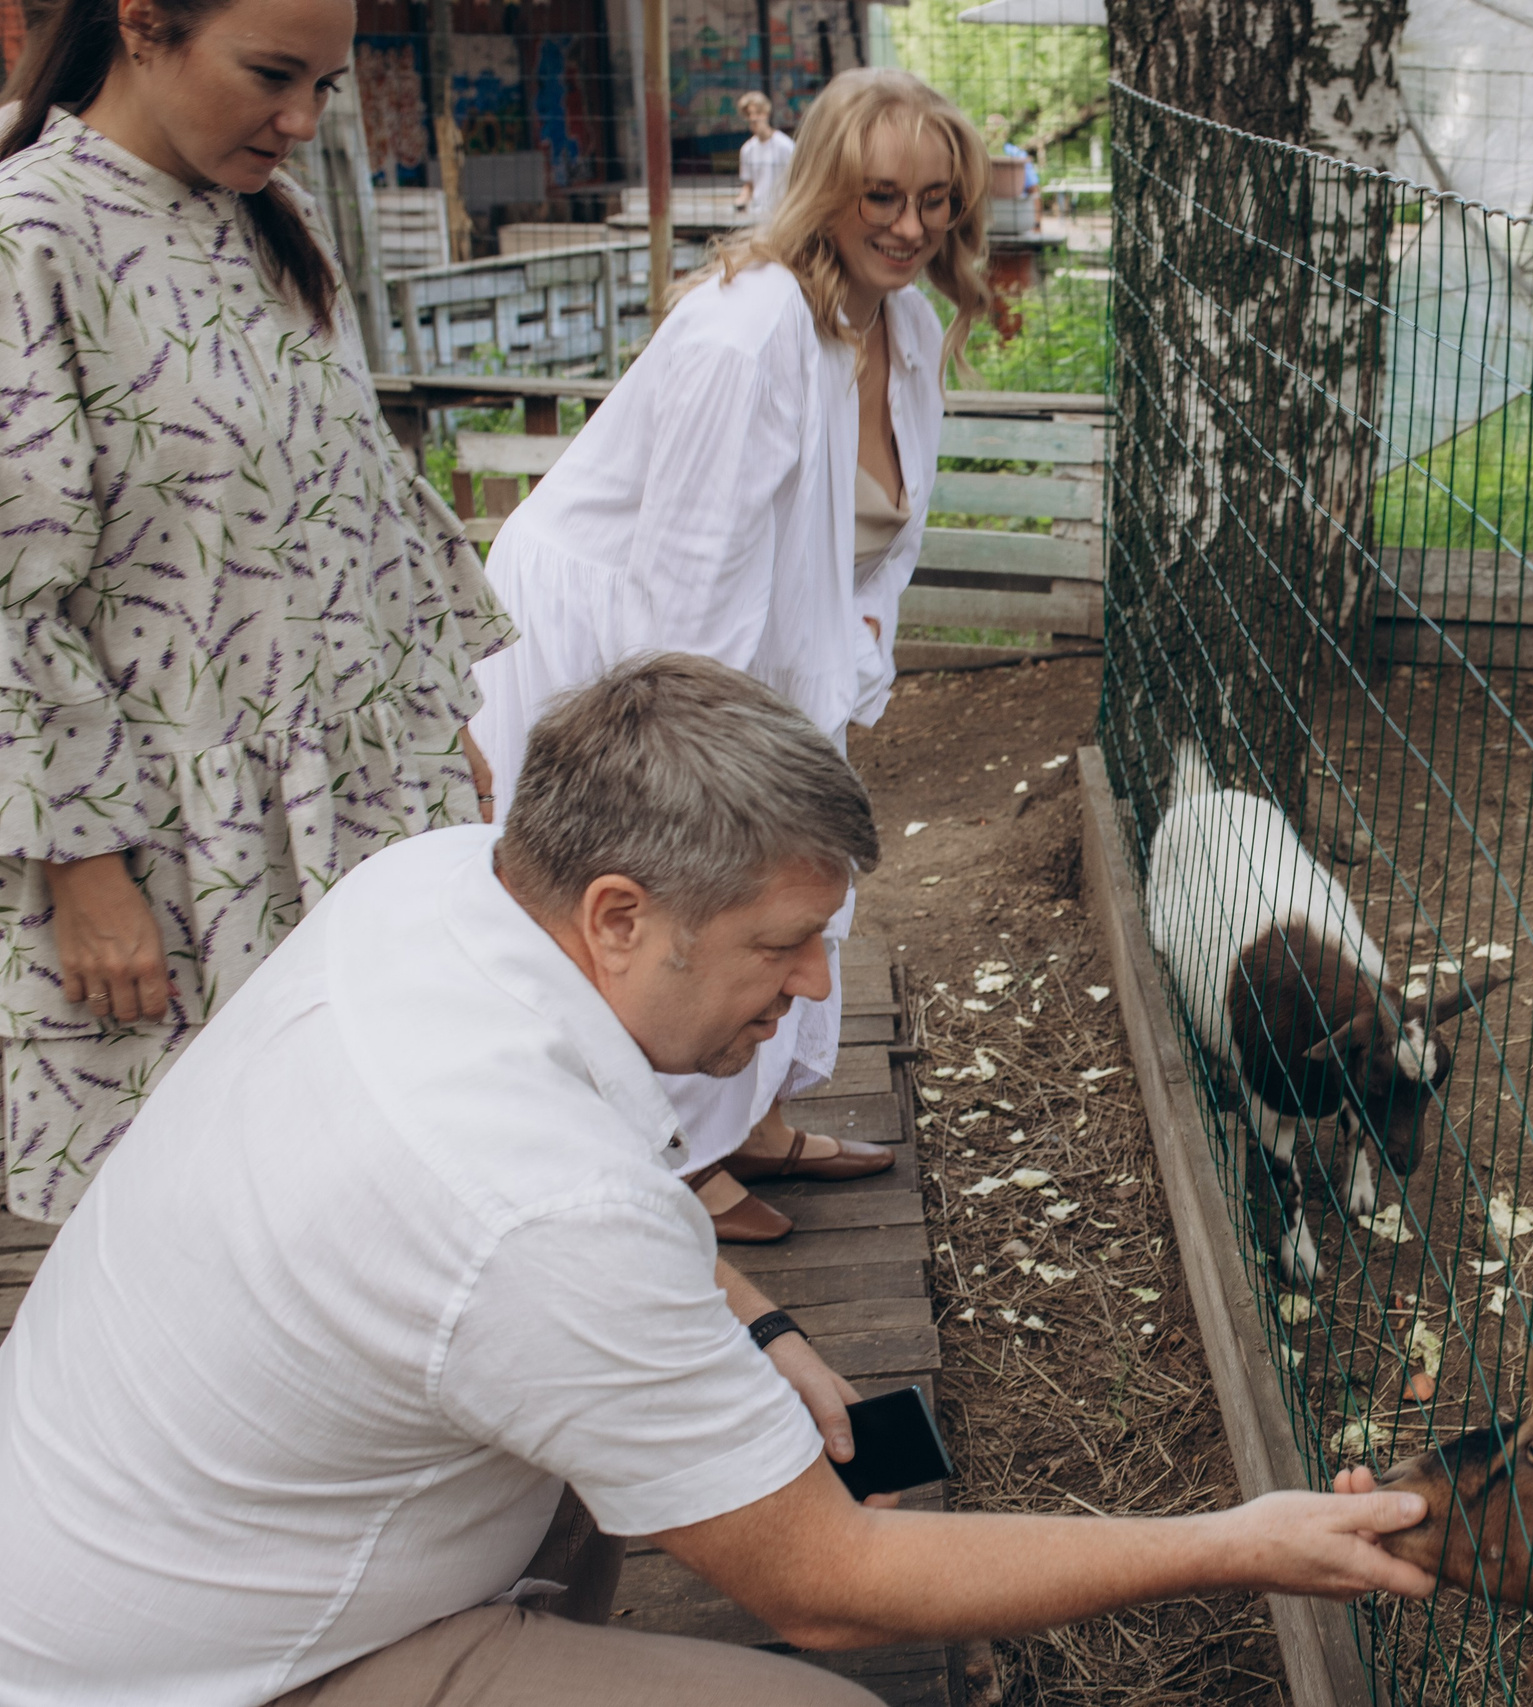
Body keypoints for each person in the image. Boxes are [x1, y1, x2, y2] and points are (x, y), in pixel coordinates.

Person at [0, 654, 1432, 1707]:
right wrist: (1228, 1540)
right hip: (186, 1668)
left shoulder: (446, 885)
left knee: (605, 1487)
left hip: (107, 1533)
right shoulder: (537, 1209)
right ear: (621, 915)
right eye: (785, 942)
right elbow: (825, 1584)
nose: (816, 983)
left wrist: (758, 1324)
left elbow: (586, 1192)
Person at [0, 0, 511, 1223]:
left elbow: (360, 495)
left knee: (363, 1172)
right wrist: (83, 867)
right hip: (172, 845)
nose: (302, 121)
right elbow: (14, 582)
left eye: (327, 86)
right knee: (188, 1210)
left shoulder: (276, 218)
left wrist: (434, 714)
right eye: (271, 75)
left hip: (355, 798)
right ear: (142, 27)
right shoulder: (33, 235)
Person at [467, 67, 989, 1240]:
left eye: (939, 201)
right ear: (822, 191)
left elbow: (878, 554)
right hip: (617, 639)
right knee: (673, 888)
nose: (912, 228)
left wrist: (846, 668)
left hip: (760, 633)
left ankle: (742, 1122)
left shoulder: (899, 324)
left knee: (777, 882)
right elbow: (686, 590)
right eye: (882, 197)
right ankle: (672, 1158)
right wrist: (720, 765)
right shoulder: (745, 334)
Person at [734, 88, 795, 218]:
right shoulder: (747, 149)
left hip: (782, 215)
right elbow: (749, 185)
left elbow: (797, 180)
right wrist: (741, 200)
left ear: (766, 113)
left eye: (757, 113)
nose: (753, 118)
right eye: (749, 114)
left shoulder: (785, 146)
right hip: (757, 215)